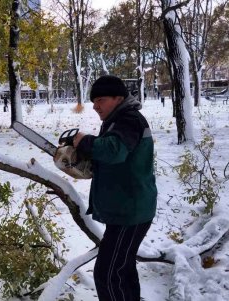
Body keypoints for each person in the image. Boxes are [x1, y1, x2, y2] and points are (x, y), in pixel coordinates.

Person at [73, 75, 157, 301]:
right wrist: (86, 162)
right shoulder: (118, 120)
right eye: (94, 100)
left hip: (130, 211)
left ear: (118, 98)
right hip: (127, 208)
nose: (95, 106)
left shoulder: (129, 119)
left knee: (108, 274)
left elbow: (114, 150)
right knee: (122, 268)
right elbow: (118, 159)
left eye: (100, 99)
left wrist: (84, 142)